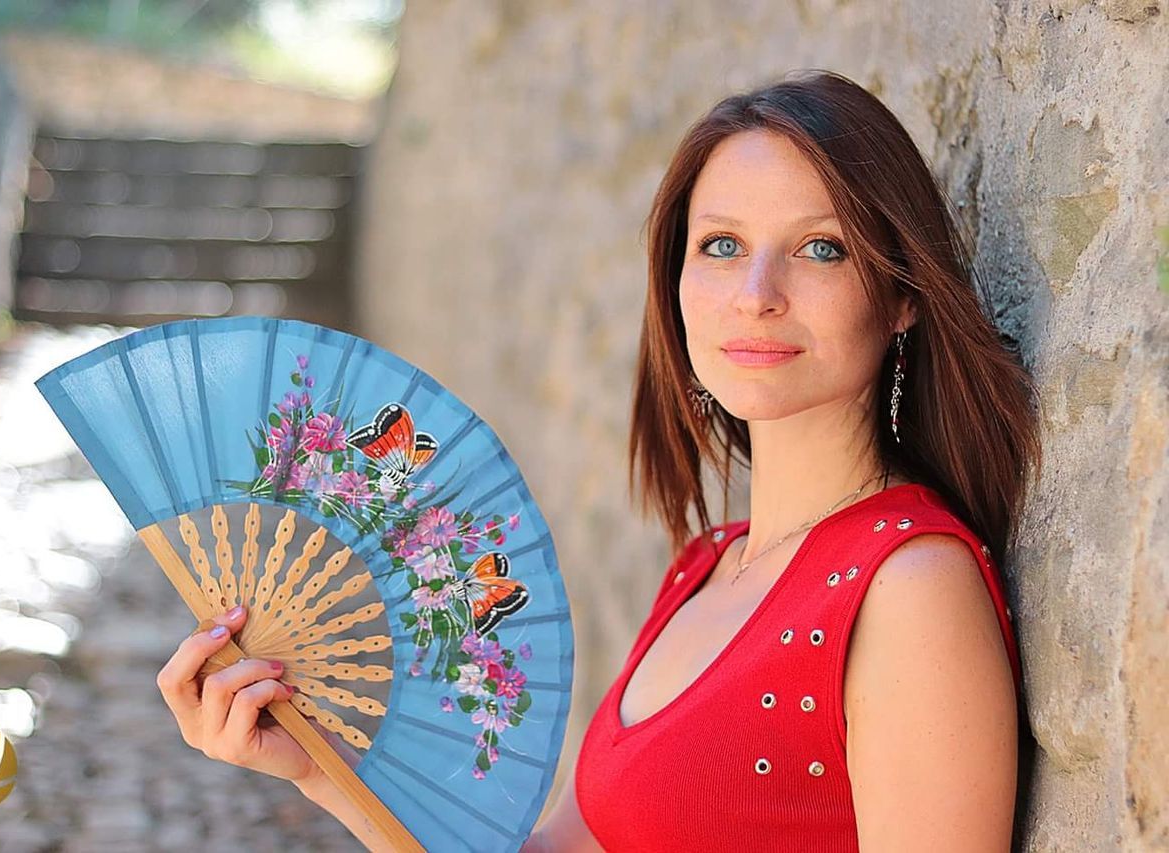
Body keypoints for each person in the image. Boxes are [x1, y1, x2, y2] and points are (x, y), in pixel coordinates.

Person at [155, 68, 1041, 851]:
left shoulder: (910, 586)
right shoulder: (706, 567)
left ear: (901, 297)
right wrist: (322, 765)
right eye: (722, 246)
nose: (756, 294)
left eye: (821, 248)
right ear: (677, 283)